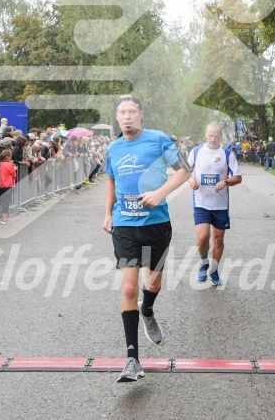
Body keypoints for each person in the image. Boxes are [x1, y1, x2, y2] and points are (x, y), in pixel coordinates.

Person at [103, 95, 191, 383]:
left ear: (141, 114)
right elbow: (112, 182)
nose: (127, 116)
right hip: (125, 224)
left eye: (131, 111)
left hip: (156, 224)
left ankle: (148, 309)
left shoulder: (158, 139)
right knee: (128, 288)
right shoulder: (114, 149)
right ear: (117, 117)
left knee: (152, 283)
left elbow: (184, 171)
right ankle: (132, 359)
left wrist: (159, 193)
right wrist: (107, 214)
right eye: (122, 112)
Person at [187, 122, 242, 286]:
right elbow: (185, 171)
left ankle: (214, 269)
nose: (212, 139)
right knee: (203, 236)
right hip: (201, 202)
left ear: (220, 136)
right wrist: (191, 181)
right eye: (210, 135)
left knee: (218, 239)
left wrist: (225, 181)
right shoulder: (196, 151)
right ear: (206, 134)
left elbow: (238, 177)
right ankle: (204, 263)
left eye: (216, 136)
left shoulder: (227, 153)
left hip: (220, 205)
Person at [0, 150, 17, 225]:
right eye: (10, 156)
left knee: (3, 201)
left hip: (1, 185)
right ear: (7, 157)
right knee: (6, 202)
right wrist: (14, 168)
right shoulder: (9, 165)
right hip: (8, 185)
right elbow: (14, 175)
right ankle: (4, 218)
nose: (11, 158)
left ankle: (5, 217)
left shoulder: (0, 164)